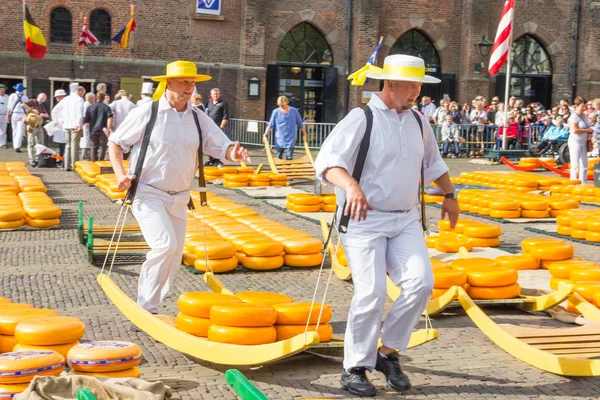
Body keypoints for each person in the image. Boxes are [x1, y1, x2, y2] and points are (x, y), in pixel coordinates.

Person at [315, 54, 458, 397]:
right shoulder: (360, 118)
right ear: (389, 83)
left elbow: (432, 162)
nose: (416, 91)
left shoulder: (420, 122)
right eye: (411, 85)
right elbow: (328, 162)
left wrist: (450, 194)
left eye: (419, 85)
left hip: (406, 217)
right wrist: (350, 186)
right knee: (372, 292)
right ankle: (354, 368)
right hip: (365, 220)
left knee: (422, 283)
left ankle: (387, 353)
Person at [108, 60, 250, 315]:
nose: (190, 87)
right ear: (168, 83)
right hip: (148, 193)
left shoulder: (198, 117)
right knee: (165, 246)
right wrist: (120, 174)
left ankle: (154, 304)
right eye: (185, 81)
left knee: (174, 256)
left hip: (180, 197)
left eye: (192, 82)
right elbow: (116, 143)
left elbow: (220, 144)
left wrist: (234, 153)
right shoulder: (148, 112)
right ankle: (146, 308)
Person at [263, 96, 307, 160]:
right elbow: (270, 125)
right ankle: (279, 169)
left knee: (289, 156)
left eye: (283, 105)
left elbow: (300, 123)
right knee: (278, 156)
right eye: (280, 105)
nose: (282, 107)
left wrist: (305, 134)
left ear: (287, 102)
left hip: (290, 138)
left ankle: (288, 169)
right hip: (279, 138)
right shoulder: (276, 112)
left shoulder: (294, 111)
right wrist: (265, 135)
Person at [58, 82, 84, 171]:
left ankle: (66, 165)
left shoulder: (65, 99)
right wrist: (79, 124)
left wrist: (62, 122)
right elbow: (80, 113)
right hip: (75, 125)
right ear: (78, 91)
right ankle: (74, 165)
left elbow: (57, 110)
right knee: (74, 146)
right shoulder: (79, 100)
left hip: (66, 125)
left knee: (68, 145)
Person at [569, 96, 594, 184]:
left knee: (584, 165)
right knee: (575, 165)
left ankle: (583, 183)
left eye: (585, 105)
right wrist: (587, 130)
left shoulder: (585, 115)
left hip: (583, 142)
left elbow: (588, 126)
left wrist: (590, 132)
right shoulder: (574, 116)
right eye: (583, 105)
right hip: (575, 142)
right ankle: (573, 183)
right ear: (577, 106)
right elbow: (575, 130)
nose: (585, 107)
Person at [85, 92, 113, 162]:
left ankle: (93, 161)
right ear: (104, 98)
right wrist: (108, 129)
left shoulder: (90, 107)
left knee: (93, 146)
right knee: (102, 147)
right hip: (103, 129)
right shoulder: (106, 107)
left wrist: (90, 129)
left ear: (96, 98)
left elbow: (87, 121)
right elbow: (110, 118)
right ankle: (100, 162)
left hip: (93, 129)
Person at [205, 88, 229, 166]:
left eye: (217, 94)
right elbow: (206, 114)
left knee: (219, 145)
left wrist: (221, 127)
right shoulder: (209, 103)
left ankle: (220, 161)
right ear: (211, 95)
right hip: (209, 127)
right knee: (210, 144)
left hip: (218, 127)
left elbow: (225, 116)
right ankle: (212, 160)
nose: (215, 95)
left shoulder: (223, 103)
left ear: (219, 94)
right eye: (214, 94)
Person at [7, 83, 29, 153]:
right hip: (22, 114)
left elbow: (9, 107)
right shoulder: (25, 97)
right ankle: (17, 146)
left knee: (15, 130)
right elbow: (27, 107)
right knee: (20, 130)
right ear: (22, 90)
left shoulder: (12, 96)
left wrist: (7, 116)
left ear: (15, 89)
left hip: (13, 114)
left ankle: (15, 145)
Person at [22, 101, 44, 166]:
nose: (43, 99)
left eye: (44, 98)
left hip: (39, 126)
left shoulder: (42, 105)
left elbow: (47, 114)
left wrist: (43, 114)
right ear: (38, 97)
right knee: (31, 143)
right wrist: (33, 110)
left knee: (40, 144)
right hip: (31, 126)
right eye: (42, 98)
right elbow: (22, 104)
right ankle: (32, 160)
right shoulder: (32, 101)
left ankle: (38, 159)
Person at [51, 89, 68, 168]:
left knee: (63, 146)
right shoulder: (62, 104)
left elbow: (54, 112)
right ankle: (62, 160)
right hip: (61, 127)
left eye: (57, 97)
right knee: (62, 146)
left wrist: (55, 121)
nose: (56, 99)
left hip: (62, 126)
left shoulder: (62, 104)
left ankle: (62, 161)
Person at [80, 93, 96, 161]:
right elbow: (86, 116)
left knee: (87, 139)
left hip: (87, 124)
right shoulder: (87, 105)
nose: (94, 99)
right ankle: (85, 156)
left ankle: (86, 155)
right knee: (87, 139)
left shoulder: (88, 104)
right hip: (87, 124)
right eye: (93, 98)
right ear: (90, 98)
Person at [0, 84, 8, 149]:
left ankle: (3, 144)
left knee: (3, 130)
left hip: (4, 115)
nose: (2, 91)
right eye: (1, 89)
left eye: (3, 89)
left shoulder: (8, 97)